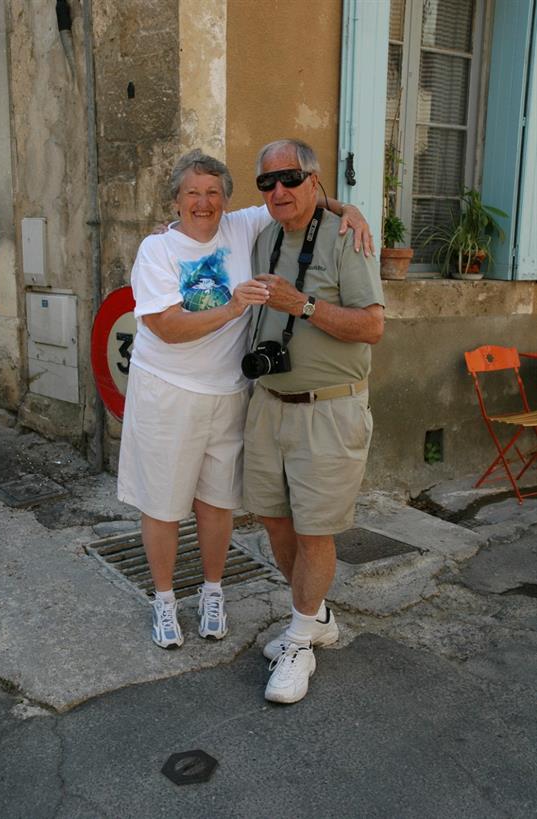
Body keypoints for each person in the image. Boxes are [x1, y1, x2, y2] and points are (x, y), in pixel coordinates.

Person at [118, 148, 373, 650]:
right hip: (167, 393)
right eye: (192, 193)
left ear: (227, 200)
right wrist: (234, 307)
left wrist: (351, 210)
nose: (203, 202)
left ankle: (213, 592)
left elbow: (298, 197)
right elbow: (166, 326)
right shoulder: (157, 250)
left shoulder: (241, 225)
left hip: (230, 393)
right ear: (175, 201)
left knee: (217, 503)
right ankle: (165, 600)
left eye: (213, 192)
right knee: (163, 504)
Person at [243, 139, 385, 703]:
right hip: (269, 404)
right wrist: (169, 229)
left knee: (313, 530)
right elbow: (202, 216)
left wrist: (301, 305)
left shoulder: (348, 237)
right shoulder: (264, 236)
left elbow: (372, 327)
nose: (278, 190)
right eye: (267, 182)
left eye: (290, 178)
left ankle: (300, 641)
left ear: (314, 179)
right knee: (274, 520)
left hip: (327, 408)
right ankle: (316, 616)